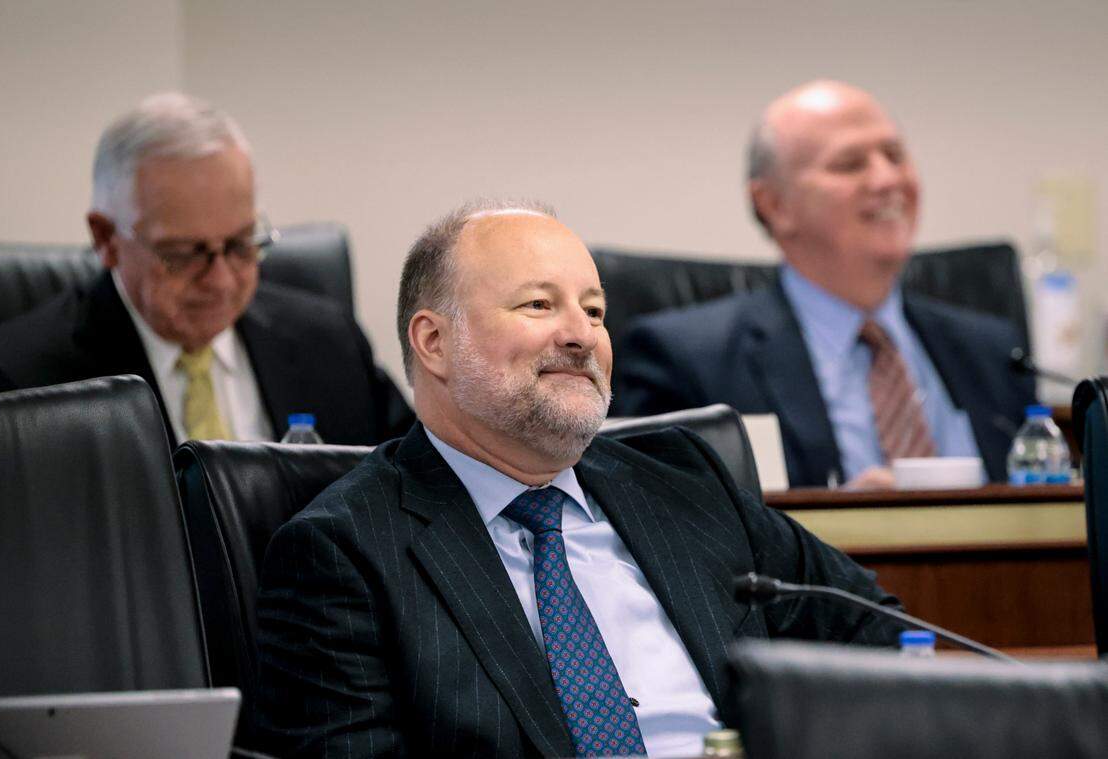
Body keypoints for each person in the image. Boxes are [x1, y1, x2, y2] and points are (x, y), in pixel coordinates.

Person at [255, 199, 904, 757]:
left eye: (594, 312)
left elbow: (880, 634)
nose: (581, 336)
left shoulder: (685, 481)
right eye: (539, 304)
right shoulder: (342, 552)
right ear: (433, 342)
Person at [611, 79, 1034, 489]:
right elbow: (674, 530)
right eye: (850, 164)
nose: (887, 180)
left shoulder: (993, 352)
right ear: (774, 204)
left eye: (895, 155)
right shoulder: (687, 362)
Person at [0, 92, 412, 446]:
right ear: (106, 238)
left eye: (240, 245)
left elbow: (417, 492)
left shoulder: (330, 344)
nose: (220, 280)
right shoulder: (16, 389)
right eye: (182, 254)